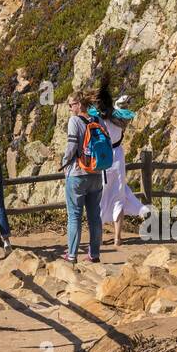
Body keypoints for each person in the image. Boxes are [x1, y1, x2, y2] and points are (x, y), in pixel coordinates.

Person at [96, 94, 150, 247]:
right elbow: (124, 112)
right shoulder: (121, 121)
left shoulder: (100, 120)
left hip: (103, 156)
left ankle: (99, 237)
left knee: (100, 197)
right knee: (118, 196)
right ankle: (117, 237)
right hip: (117, 158)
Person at [61, 92, 105, 263]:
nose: (70, 108)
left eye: (71, 104)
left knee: (74, 216)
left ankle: (72, 255)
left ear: (79, 104)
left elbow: (71, 146)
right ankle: (94, 254)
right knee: (95, 215)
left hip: (78, 173)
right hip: (96, 173)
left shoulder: (75, 121)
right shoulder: (98, 120)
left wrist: (65, 163)